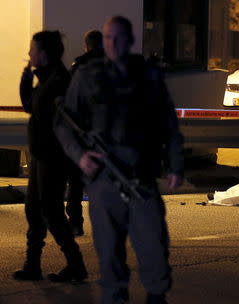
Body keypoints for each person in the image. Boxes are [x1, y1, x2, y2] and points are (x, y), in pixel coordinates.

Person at [55, 16, 184, 304]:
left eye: (118, 37)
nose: (112, 43)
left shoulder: (148, 76)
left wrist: (175, 165)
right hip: (103, 181)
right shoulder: (87, 75)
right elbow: (64, 124)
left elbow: (168, 124)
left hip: (141, 177)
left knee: (154, 248)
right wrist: (80, 156)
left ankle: (156, 296)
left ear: (130, 40)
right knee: (109, 256)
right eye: (107, 37)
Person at [15, 30, 87, 283]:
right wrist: (26, 82)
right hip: (40, 155)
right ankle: (32, 265)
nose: (29, 53)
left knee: (51, 211)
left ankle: (75, 264)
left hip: (53, 156)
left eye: (32, 49)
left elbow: (45, 114)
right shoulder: (46, 78)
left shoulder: (58, 81)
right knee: (34, 210)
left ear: (43, 54)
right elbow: (31, 108)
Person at [66, 30, 104, 237]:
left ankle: (75, 223)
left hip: (81, 132)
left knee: (76, 180)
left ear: (86, 46)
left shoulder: (78, 66)